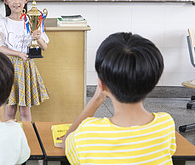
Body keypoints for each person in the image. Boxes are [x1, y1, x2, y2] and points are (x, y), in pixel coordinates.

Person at [62, 32, 176, 165]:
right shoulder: (165, 125)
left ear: (101, 83)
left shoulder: (88, 133)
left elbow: (66, 143)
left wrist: (97, 99)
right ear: (154, 81)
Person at [0, 0, 49, 121]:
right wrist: (18, 54)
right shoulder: (3, 23)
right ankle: (9, 138)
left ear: (26, 0)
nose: (16, 2)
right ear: (5, 1)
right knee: (10, 109)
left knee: (25, 110)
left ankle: (26, 138)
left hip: (26, 67)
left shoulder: (32, 19)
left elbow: (44, 46)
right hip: (9, 67)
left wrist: (38, 37)